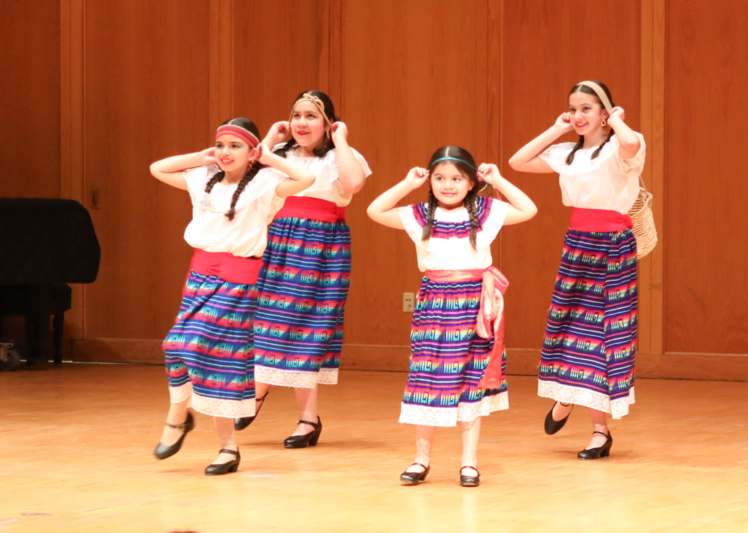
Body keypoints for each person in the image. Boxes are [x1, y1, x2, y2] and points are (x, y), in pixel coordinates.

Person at [150, 117, 314, 474]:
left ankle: (193, 426)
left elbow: (306, 180)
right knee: (181, 348)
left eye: (234, 146)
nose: (225, 153)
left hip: (239, 278)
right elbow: (157, 168)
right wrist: (202, 155)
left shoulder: (265, 184)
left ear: (251, 151)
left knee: (204, 351)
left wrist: (267, 156)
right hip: (200, 275)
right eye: (221, 145)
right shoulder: (203, 178)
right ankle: (209, 434)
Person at [367, 145, 537, 486]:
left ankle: (469, 462)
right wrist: (406, 183)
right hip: (435, 307)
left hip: (475, 306)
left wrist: (499, 179)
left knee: (471, 382)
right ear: (430, 182)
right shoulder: (419, 216)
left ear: (471, 182)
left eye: (457, 178)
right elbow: (374, 210)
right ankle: (420, 459)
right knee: (427, 379)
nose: (448, 185)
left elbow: (529, 209)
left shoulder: (486, 212)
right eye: (440, 178)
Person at [508, 80, 646, 459]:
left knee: (605, 333)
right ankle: (566, 395)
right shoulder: (568, 152)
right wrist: (558, 126)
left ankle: (600, 431)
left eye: (587, 108)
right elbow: (517, 161)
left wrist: (616, 120)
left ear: (604, 111)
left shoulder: (621, 146)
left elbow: (632, 144)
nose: (579, 115)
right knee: (567, 325)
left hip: (613, 246)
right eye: (574, 108)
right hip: (578, 245)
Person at [234, 90, 371, 449]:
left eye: (311, 116)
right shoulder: (279, 155)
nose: (301, 123)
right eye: (296, 115)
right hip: (275, 240)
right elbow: (243, 181)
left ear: (327, 122)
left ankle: (306, 418)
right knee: (263, 318)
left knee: (308, 327)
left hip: (321, 245)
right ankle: (258, 391)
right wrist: (269, 140)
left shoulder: (341, 157)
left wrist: (341, 138)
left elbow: (354, 184)